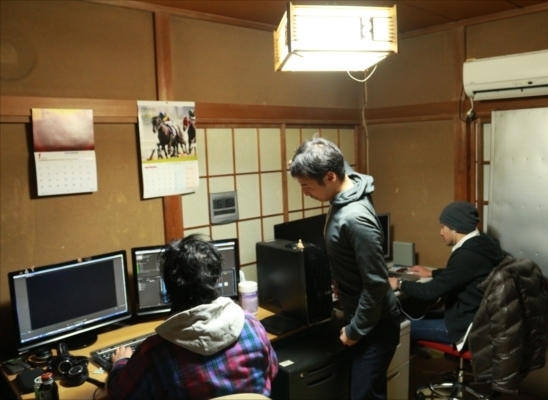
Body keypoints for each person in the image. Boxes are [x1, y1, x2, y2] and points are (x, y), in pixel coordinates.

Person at [289, 136, 401, 400]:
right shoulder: (348, 183)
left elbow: (376, 283)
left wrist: (355, 330)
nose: (305, 193)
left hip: (375, 323)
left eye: (307, 186)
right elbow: (334, 157)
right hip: (359, 312)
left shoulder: (355, 218)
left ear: (330, 177)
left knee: (364, 396)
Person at [106, 234, 278, 399]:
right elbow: (272, 371)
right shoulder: (252, 325)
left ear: (167, 286)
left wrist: (121, 362)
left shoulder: (154, 353)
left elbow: (119, 395)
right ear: (217, 279)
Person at [397, 201, 505, 351]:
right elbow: (463, 273)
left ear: (455, 227)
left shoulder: (466, 255)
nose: (441, 233)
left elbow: (429, 292)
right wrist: (432, 273)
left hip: (465, 328)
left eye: (443, 227)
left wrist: (399, 283)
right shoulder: (484, 243)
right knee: (417, 315)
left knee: (402, 326)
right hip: (478, 318)